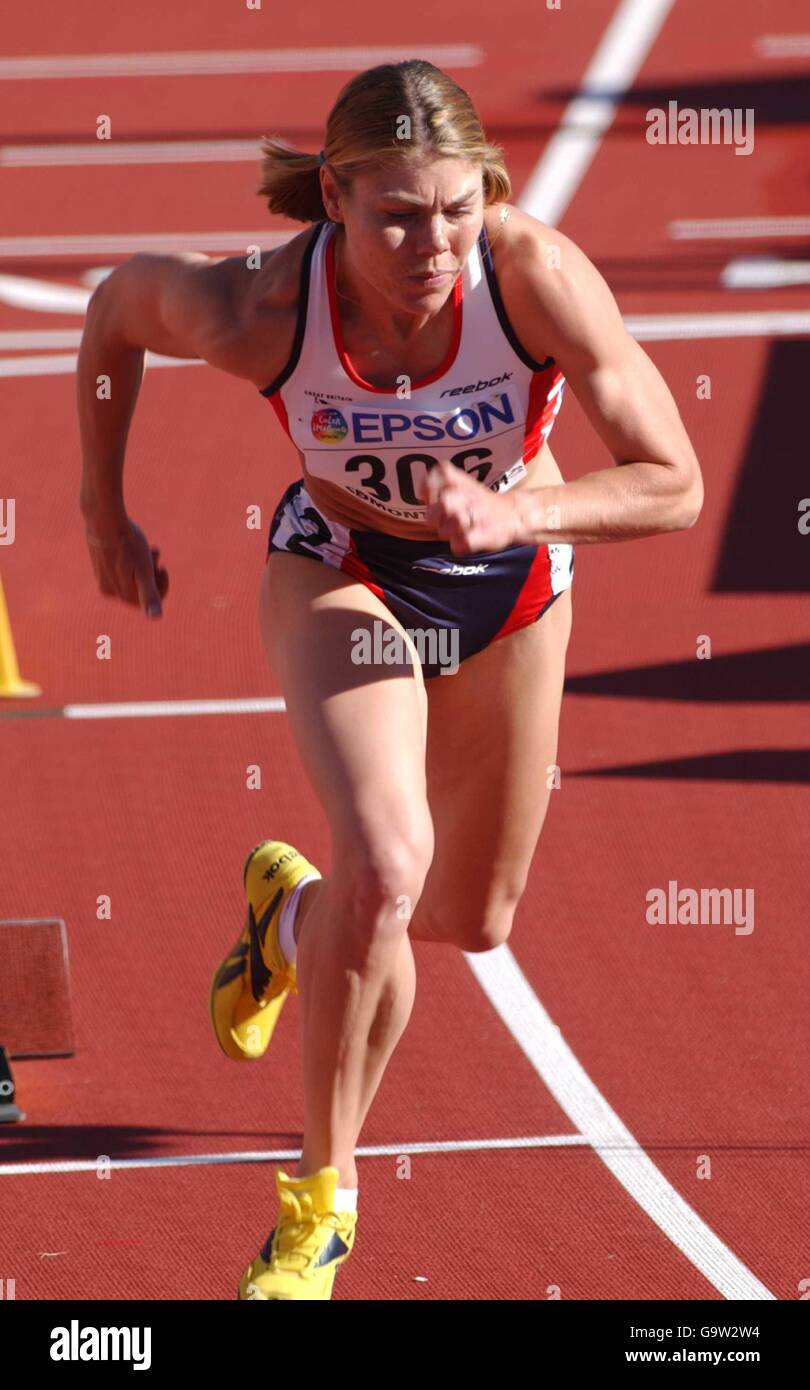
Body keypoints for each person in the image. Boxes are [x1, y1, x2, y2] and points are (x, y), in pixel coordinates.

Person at [77, 59, 703, 1301]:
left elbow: (674, 481)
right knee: (387, 859)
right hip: (345, 574)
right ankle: (320, 1203)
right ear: (335, 198)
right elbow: (110, 315)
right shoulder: (261, 307)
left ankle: (287, 921)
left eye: (457, 208)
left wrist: (530, 507)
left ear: (489, 192)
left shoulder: (533, 276)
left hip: (511, 589)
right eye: (400, 216)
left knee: (470, 920)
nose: (434, 243)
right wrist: (103, 509)